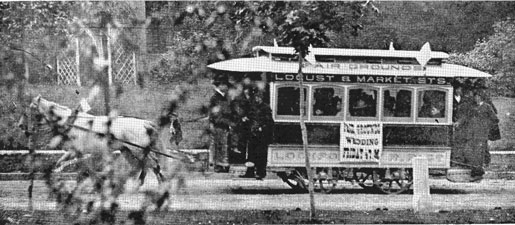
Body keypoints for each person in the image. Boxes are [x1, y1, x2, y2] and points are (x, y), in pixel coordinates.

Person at [459, 91, 499, 181]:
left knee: (478, 153)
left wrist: (485, 126)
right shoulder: (472, 107)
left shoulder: (487, 107)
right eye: (475, 97)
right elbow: (466, 117)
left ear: (481, 97)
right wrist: (458, 123)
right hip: (471, 133)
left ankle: (477, 172)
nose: (476, 98)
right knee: (468, 151)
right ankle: (475, 169)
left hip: (481, 134)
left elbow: (495, 119)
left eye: (478, 96)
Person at [243, 91, 274, 180]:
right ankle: (250, 172)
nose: (257, 99)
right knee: (251, 154)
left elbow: (269, 121)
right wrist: (246, 119)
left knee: (261, 154)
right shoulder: (253, 107)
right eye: (256, 97)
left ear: (261, 98)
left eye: (258, 97)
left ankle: (261, 173)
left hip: (262, 135)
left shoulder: (266, 108)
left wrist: (262, 128)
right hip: (253, 133)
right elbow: (251, 117)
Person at [209, 80, 233, 173]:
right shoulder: (215, 98)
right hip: (218, 124)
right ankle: (219, 165)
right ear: (221, 86)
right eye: (225, 85)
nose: (226, 88)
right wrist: (212, 123)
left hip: (224, 124)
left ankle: (223, 164)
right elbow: (212, 113)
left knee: (224, 145)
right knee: (218, 145)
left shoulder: (225, 97)